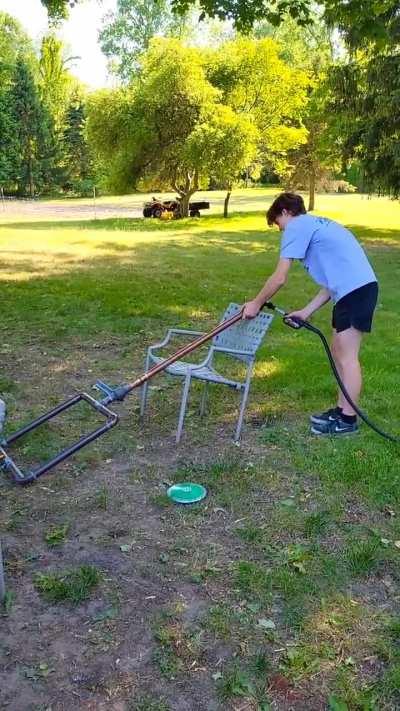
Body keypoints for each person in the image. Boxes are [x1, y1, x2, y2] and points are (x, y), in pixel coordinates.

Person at [243, 192, 378, 436]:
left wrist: (256, 303)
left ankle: (348, 421)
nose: (280, 231)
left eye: (277, 224)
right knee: (339, 351)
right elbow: (330, 283)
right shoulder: (316, 226)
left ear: (285, 212)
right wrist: (305, 312)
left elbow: (279, 277)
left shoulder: (296, 226)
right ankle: (341, 410)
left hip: (357, 290)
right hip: (351, 289)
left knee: (348, 356)